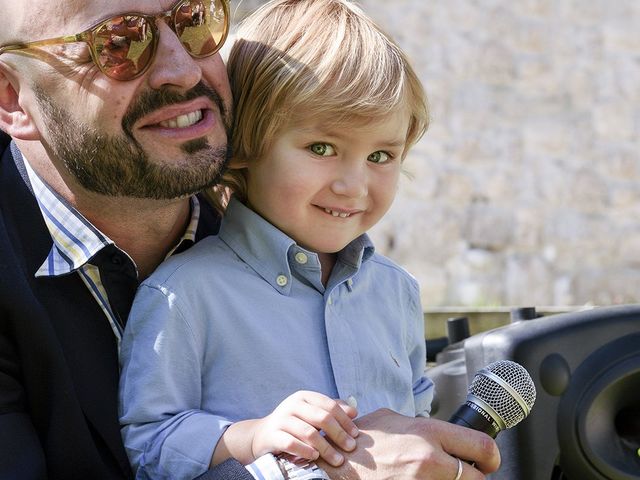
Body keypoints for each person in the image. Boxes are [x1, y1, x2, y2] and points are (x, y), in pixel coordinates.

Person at [0, 0, 500, 479]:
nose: (185, 69)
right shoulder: (185, 291)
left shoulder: (386, 286)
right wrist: (292, 460)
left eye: (194, 18)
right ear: (11, 97)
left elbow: (412, 413)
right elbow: (153, 443)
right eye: (118, 40)